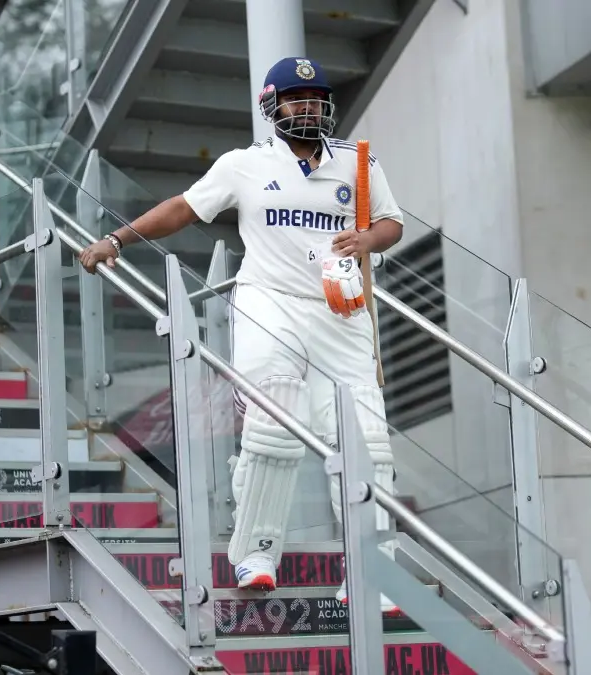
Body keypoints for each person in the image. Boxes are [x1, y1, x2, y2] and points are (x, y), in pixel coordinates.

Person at [78, 56, 404, 614]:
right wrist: (117, 239)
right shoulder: (244, 165)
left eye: (317, 98)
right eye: (296, 99)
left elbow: (393, 225)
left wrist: (368, 242)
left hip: (341, 312)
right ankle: (255, 556)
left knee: (367, 440)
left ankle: (374, 571)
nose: (308, 107)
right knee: (275, 424)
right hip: (267, 304)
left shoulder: (359, 162)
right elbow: (184, 208)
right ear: (271, 107)